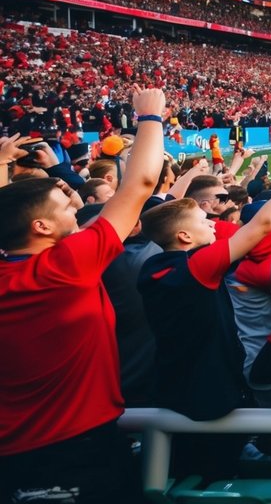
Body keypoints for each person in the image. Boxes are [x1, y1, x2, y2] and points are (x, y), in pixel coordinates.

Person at [0, 87, 166, 504]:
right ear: (40, 228)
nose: (75, 209)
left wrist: (4, 165)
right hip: (79, 449)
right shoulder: (67, 265)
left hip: (11, 455)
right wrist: (150, 116)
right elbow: (143, 183)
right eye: (64, 206)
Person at [136, 152, 271, 480]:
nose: (212, 224)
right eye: (203, 221)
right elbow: (262, 224)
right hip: (210, 394)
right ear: (185, 237)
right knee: (215, 474)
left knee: (184, 471)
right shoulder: (196, 268)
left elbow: (162, 215)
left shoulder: (155, 266)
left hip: (177, 384)